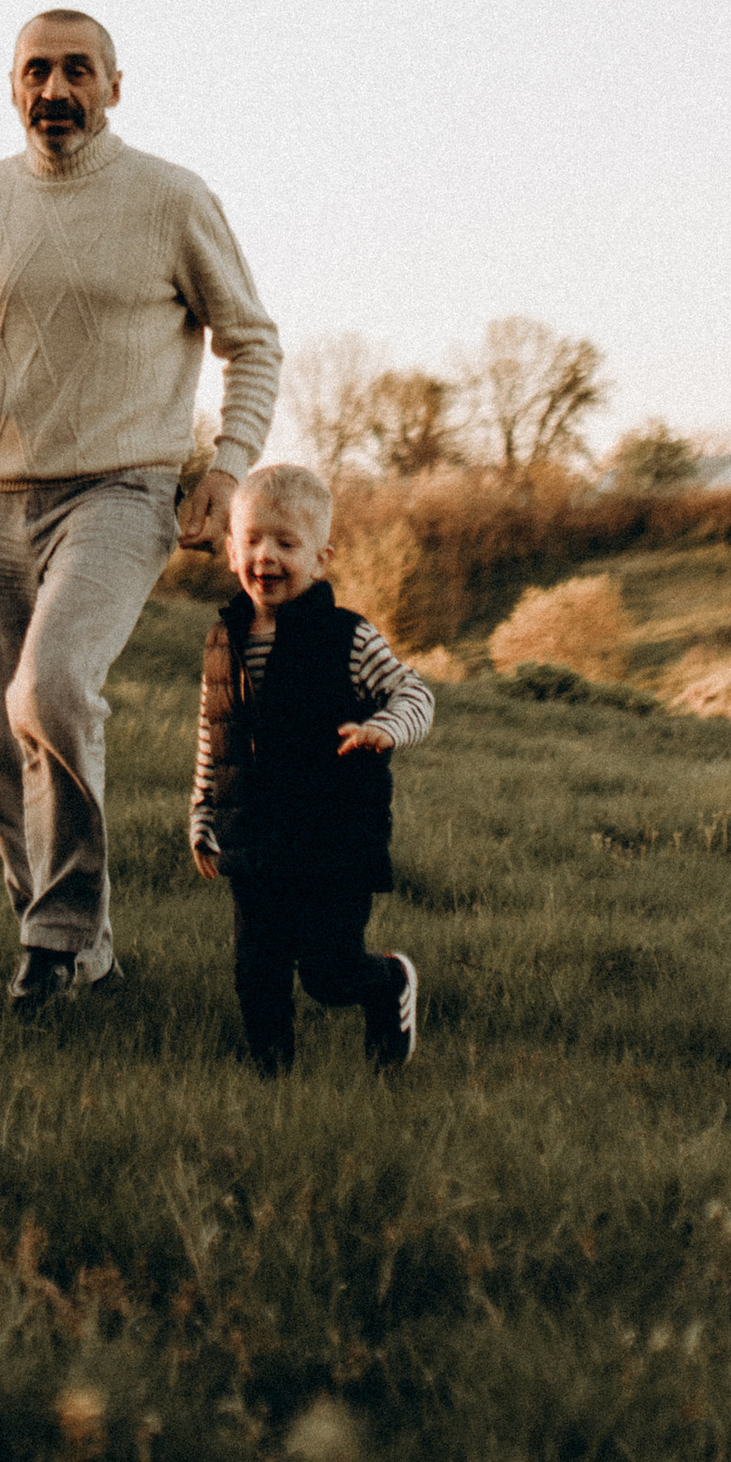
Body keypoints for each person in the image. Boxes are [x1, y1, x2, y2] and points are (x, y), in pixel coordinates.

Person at [0, 10, 281, 1010]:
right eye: (36, 71)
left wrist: (226, 467)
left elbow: (251, 341)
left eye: (76, 71)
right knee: (4, 748)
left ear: (113, 87)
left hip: (122, 490)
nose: (56, 89)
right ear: (10, 87)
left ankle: (61, 932)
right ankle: (62, 952)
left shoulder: (171, 199)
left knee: (46, 690)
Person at [188, 459, 431, 1074]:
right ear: (230, 549)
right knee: (257, 972)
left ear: (321, 558)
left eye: (286, 543)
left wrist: (383, 728)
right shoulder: (224, 640)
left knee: (328, 971)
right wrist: (201, 815)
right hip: (255, 841)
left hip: (334, 841)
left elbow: (416, 695)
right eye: (251, 540)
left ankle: (388, 984)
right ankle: (273, 1083)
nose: (264, 556)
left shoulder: (347, 638)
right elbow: (212, 737)